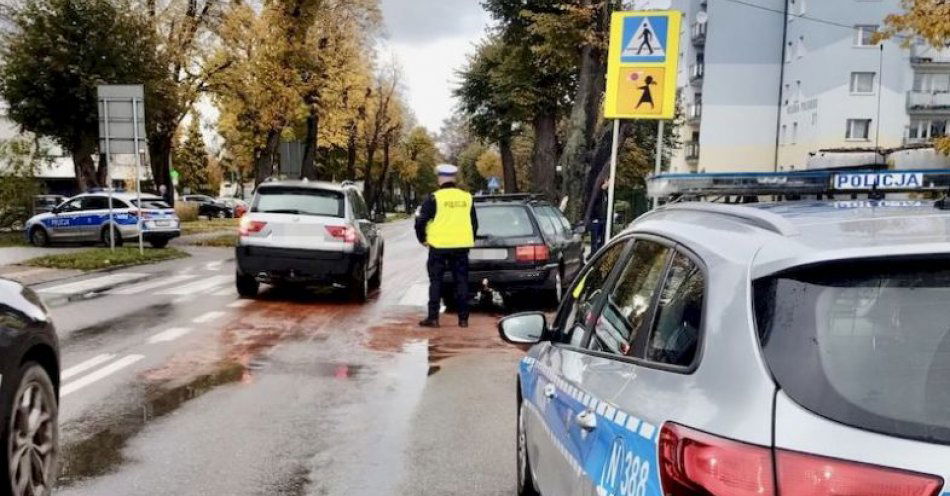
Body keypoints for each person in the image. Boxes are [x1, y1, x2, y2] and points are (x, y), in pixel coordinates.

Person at [414, 164, 479, 328]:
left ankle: (433, 318)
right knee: (462, 282)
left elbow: (421, 221)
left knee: (436, 281)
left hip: (439, 247)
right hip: (461, 247)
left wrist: (422, 239)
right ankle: (463, 319)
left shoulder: (434, 198)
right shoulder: (467, 197)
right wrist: (470, 238)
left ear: (440, 179)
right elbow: (474, 223)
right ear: (454, 178)